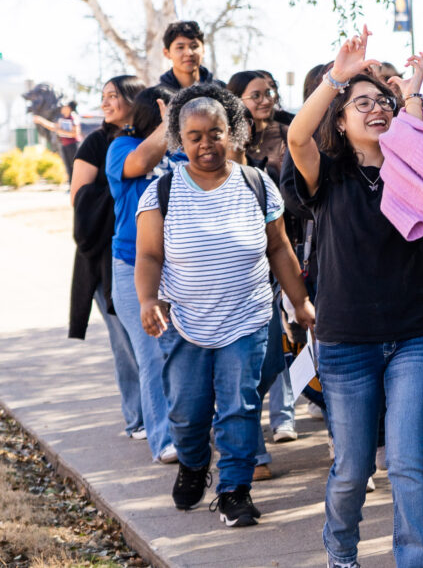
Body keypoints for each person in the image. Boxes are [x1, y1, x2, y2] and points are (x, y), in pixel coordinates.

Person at [286, 30, 423, 568]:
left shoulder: (412, 166)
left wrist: (416, 87)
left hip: (415, 336)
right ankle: (341, 550)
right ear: (341, 118)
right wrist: (337, 76)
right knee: (354, 467)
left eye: (383, 101)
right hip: (346, 341)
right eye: (363, 103)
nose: (376, 109)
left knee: (407, 461)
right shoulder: (327, 176)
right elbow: (296, 137)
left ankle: (413, 561)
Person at [134, 82, 313, 528]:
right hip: (187, 321)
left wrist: (301, 302)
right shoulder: (161, 192)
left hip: (248, 317)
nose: (205, 144)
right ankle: (195, 464)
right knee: (187, 411)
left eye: (214, 132)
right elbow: (149, 255)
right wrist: (147, 298)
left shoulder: (258, 185)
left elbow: (280, 249)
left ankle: (234, 490)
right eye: (193, 136)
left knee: (240, 406)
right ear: (179, 138)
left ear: (231, 131)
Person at [67, 76, 149, 439]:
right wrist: (122, 189)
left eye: (113, 96)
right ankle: (137, 418)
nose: (106, 103)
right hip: (106, 255)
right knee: (126, 341)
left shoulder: (150, 142)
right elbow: (78, 198)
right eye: (103, 97)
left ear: (135, 99)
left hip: (153, 253)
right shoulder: (97, 142)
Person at [106, 84, 181, 464]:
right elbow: (139, 164)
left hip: (182, 268)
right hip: (132, 267)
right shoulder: (121, 147)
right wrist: (168, 124)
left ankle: (191, 430)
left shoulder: (185, 153)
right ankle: (164, 439)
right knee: (152, 354)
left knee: (185, 356)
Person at [228, 69, 300, 454]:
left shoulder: (287, 134)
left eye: (269, 92)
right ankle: (249, 448)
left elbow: (283, 231)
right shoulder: (202, 161)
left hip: (275, 261)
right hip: (230, 280)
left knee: (275, 357)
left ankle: (278, 418)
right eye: (255, 94)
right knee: (249, 366)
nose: (266, 99)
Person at [157, 20, 213, 91]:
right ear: (167, 53)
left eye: (194, 46)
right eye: (180, 47)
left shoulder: (222, 92)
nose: (189, 53)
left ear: (203, 49)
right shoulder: (155, 97)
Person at [34, 101, 83, 175]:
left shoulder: (73, 118)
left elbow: (76, 133)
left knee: (75, 169)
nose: (62, 108)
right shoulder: (63, 119)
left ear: (68, 108)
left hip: (73, 146)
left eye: (64, 106)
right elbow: (53, 127)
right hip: (65, 146)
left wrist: (61, 131)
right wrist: (41, 120)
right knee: (69, 170)